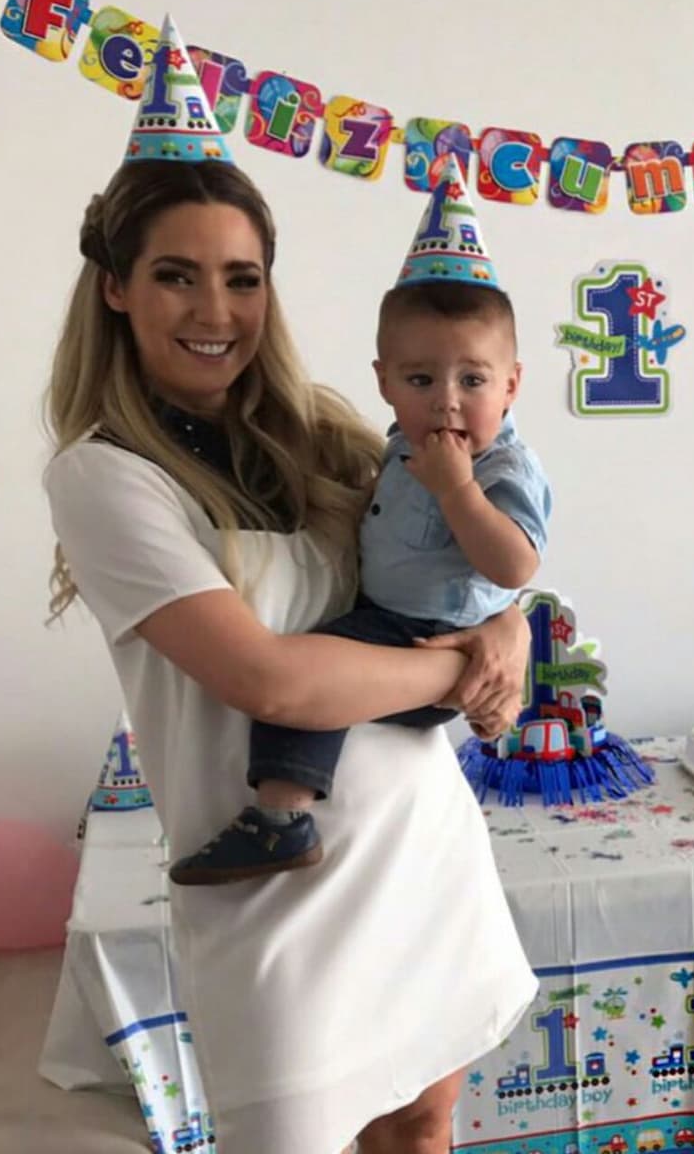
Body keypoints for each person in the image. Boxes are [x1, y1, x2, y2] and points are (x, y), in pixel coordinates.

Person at [43, 16, 537, 1154]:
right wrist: (465, 662)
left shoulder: (323, 430)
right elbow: (272, 678)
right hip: (274, 891)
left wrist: (509, 616)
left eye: (240, 277)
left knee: (424, 1124)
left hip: (420, 845)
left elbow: (456, 552)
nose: (215, 311)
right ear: (116, 285)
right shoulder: (103, 476)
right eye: (176, 276)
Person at [168, 155, 552, 886]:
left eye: (473, 381)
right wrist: (483, 654)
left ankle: (279, 816)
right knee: (313, 678)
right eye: (420, 380)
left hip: (418, 636)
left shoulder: (498, 469)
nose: (446, 400)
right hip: (405, 635)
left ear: (512, 384)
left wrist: (462, 505)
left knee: (316, 674)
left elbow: (515, 567)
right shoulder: (397, 444)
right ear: (383, 381)